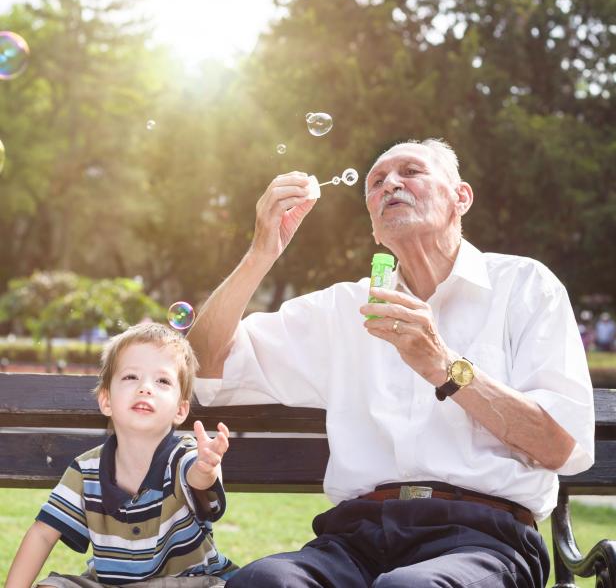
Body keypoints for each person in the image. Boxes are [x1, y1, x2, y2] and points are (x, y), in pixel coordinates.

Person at [188, 138, 595, 588]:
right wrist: (261, 252)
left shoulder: (525, 287)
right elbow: (205, 364)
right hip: (356, 536)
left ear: (461, 197)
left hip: (484, 537)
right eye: (376, 182)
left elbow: (561, 446)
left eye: (411, 172)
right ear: (375, 231)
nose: (390, 185)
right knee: (263, 582)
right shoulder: (343, 309)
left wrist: (445, 366)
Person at [6, 322, 237, 588]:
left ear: (180, 410)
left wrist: (207, 468)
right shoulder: (86, 470)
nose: (145, 387)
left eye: (162, 381)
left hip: (184, 581)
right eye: (131, 377)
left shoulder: (183, 455)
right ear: (106, 400)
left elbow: (197, 476)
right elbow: (43, 534)